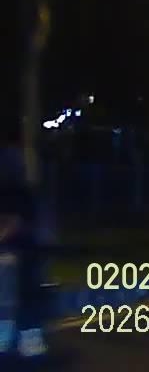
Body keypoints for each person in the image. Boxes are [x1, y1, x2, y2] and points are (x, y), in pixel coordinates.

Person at [0, 147, 47, 362]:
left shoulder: (20, 195)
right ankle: (27, 343)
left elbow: (16, 224)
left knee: (15, 300)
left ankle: (22, 343)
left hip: (19, 256)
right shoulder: (24, 193)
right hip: (20, 256)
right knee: (20, 300)